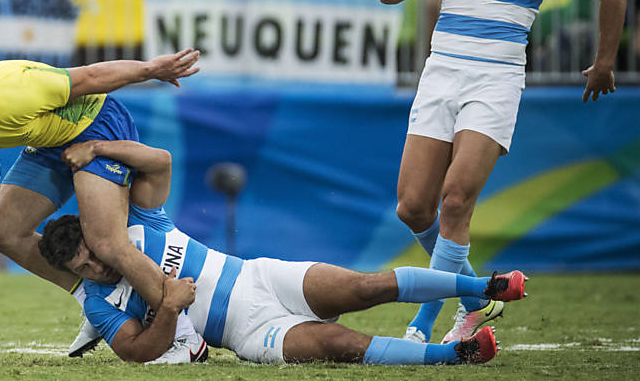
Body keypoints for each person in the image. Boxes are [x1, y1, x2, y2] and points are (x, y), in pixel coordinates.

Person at [378, 0, 626, 345]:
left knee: (455, 200)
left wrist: (604, 62)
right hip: (441, 74)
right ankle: (477, 296)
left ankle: (425, 325)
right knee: (412, 208)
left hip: (495, 80)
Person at [38, 139, 528, 365]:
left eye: (95, 252)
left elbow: (160, 160)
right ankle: (451, 356)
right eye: (85, 268)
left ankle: (484, 285)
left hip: (260, 278)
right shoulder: (99, 305)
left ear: (96, 233)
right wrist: (167, 309)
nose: (99, 265)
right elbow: (136, 353)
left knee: (366, 286)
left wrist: (100, 150)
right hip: (249, 333)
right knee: (341, 345)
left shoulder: (134, 224)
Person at [0, 50, 200, 354]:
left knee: (105, 242)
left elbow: (90, 77)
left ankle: (185, 336)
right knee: (3, 232)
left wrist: (150, 69)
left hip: (96, 124)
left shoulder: (7, 91)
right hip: (49, 142)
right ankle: (95, 302)